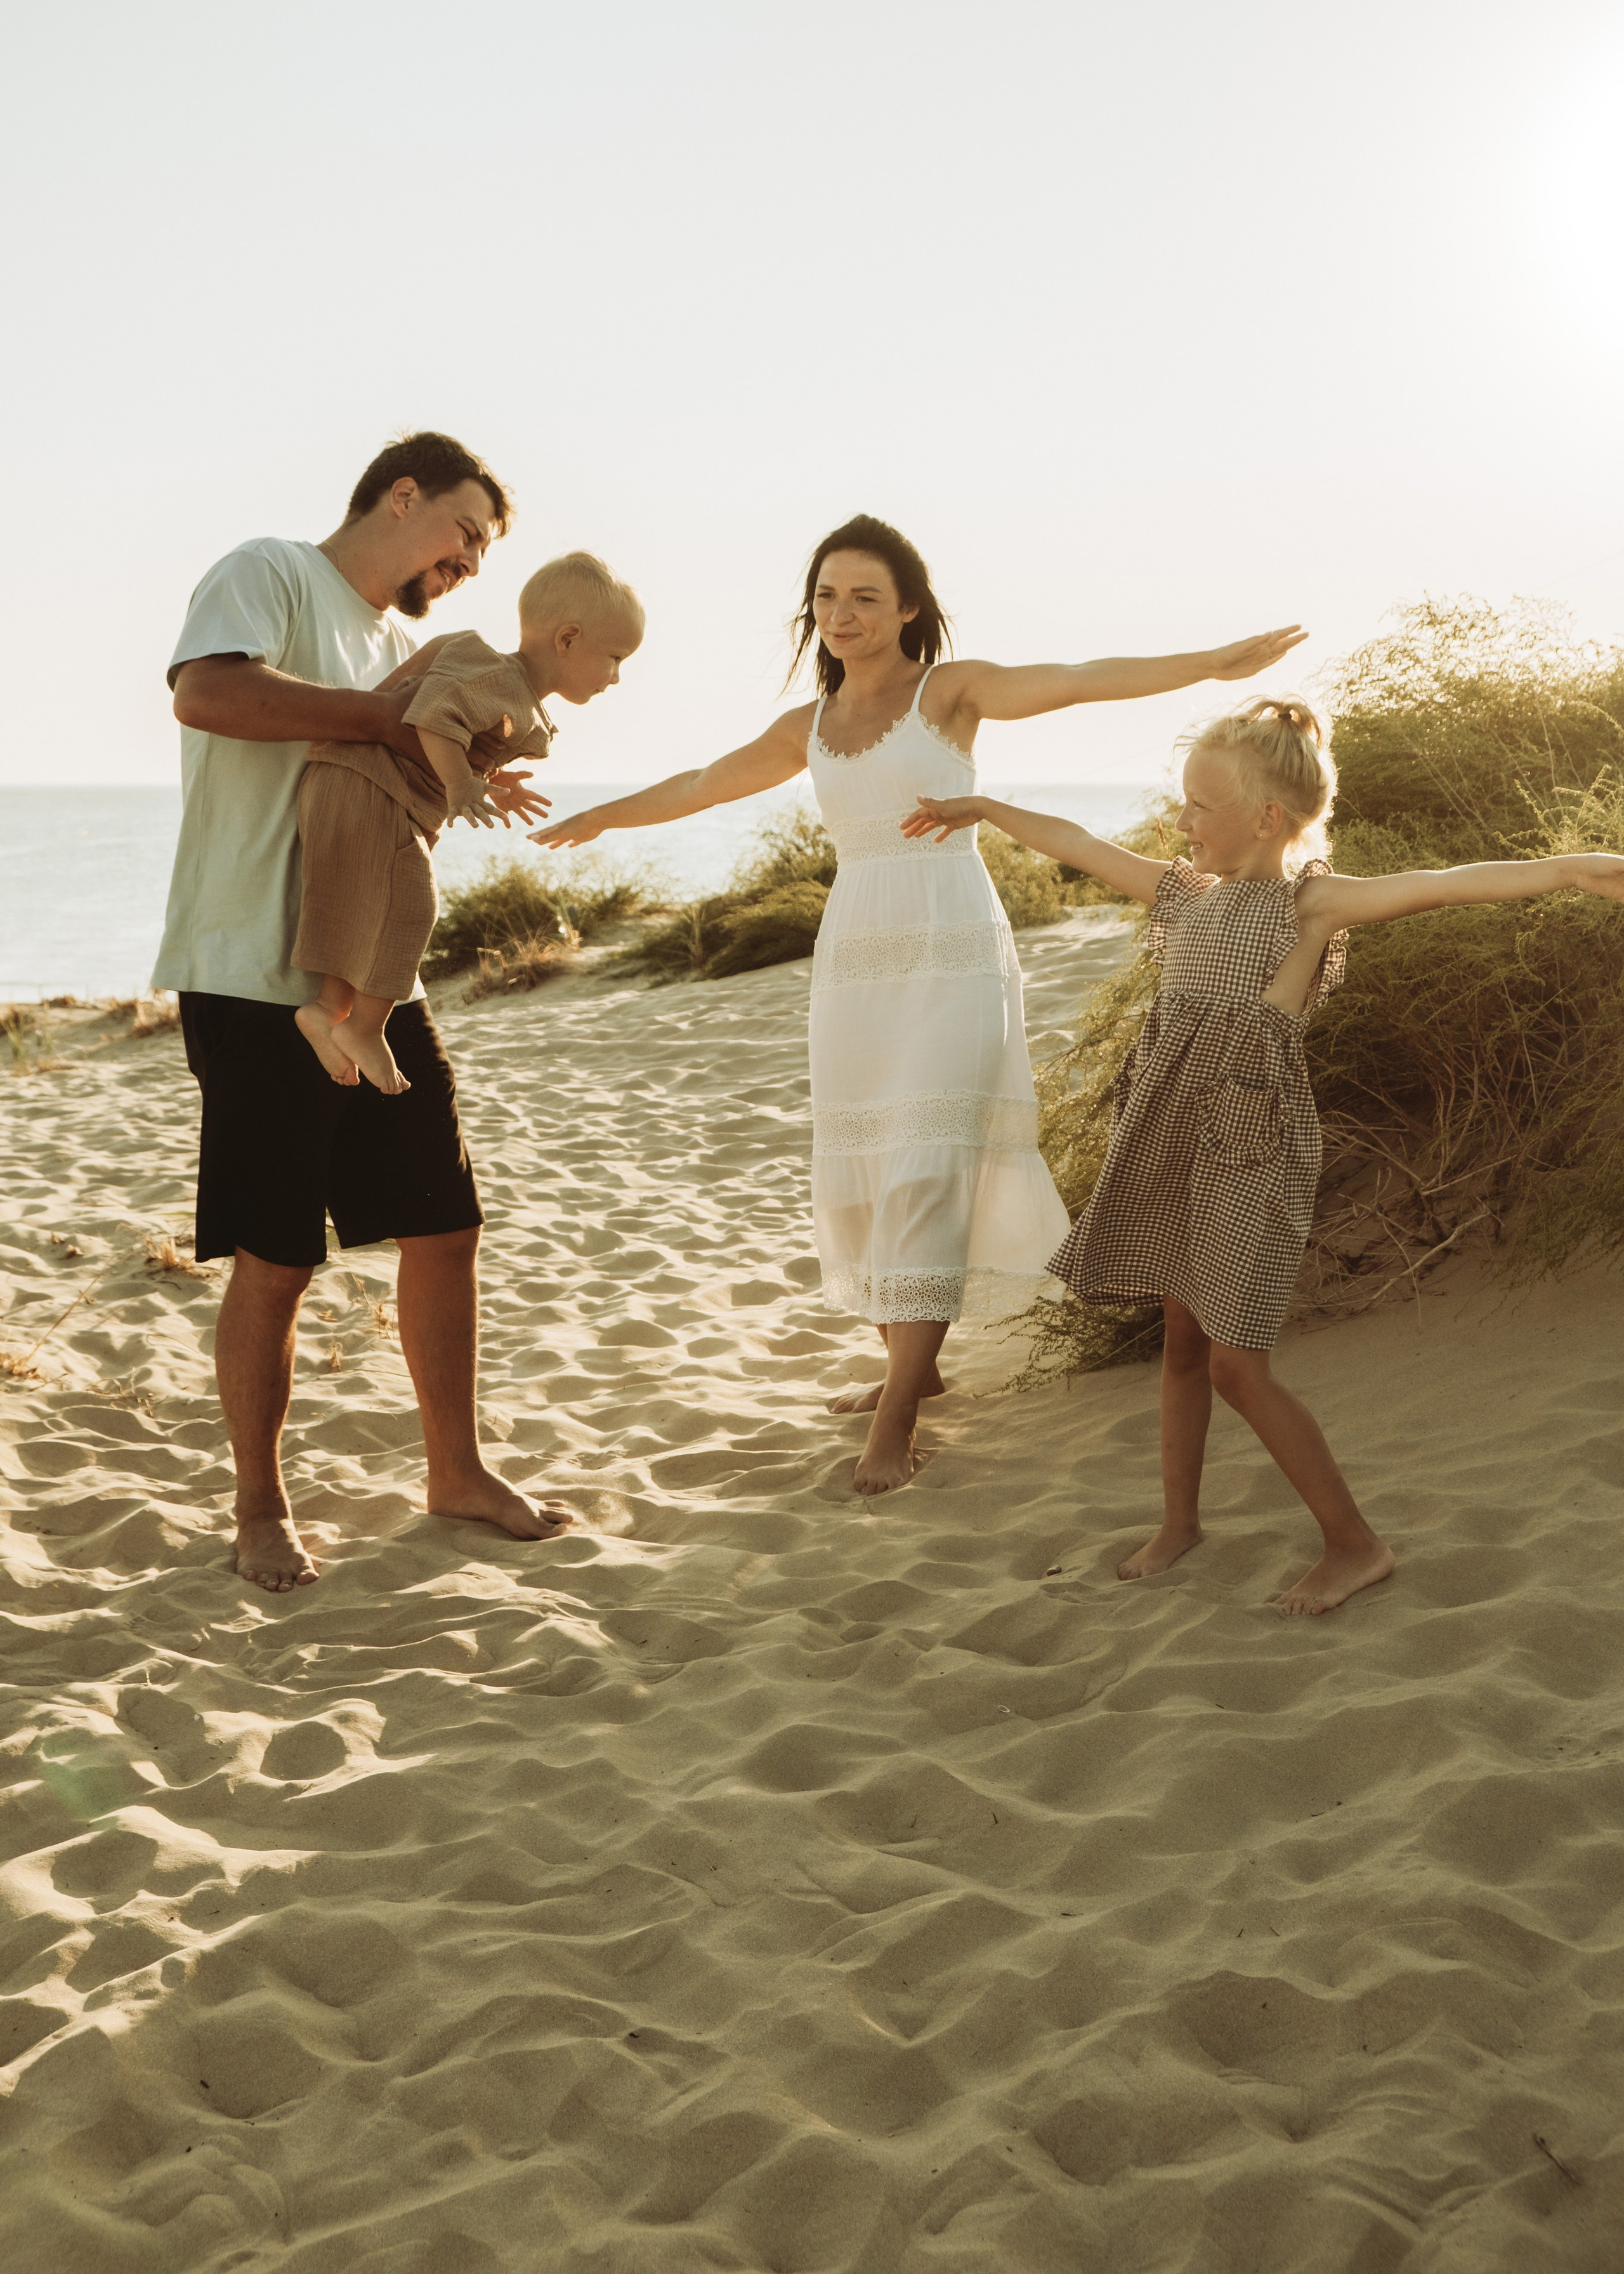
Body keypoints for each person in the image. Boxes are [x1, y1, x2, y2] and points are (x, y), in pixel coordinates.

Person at [532, 511, 1303, 1496]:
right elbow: (701, 783)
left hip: (954, 953)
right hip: (857, 958)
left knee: (932, 1159)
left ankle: (896, 1417)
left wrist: (1210, 665)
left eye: (864, 596)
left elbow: (1076, 678)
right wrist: (601, 814)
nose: (842, 614)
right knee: (884, 1157)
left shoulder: (950, 692)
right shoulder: (805, 727)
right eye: (826, 597)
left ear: (907, 608)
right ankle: (918, 1363)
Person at [905, 696, 1624, 1611]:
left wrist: (1580, 871)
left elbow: (1452, 880)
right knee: (1180, 1340)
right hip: (1169, 1133)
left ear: (1266, 819)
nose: (1181, 821)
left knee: (1239, 1364)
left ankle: (1354, 1545)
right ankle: (1179, 1522)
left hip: (1249, 1146)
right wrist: (988, 810)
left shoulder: (1311, 905)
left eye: (1198, 805)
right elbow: (1079, 844)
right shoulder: (1184, 895)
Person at [155, 431, 574, 1593]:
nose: (475, 563)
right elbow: (209, 694)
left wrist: (472, 776)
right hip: (253, 969)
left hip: (371, 978)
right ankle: (258, 1506)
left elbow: (403, 771)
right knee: (277, 1255)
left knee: (446, 1226)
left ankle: (457, 1470)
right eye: (468, 533)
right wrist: (387, 720)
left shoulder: (405, 646)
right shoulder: (272, 571)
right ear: (403, 496)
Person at [292, 552, 645, 1096]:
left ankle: (327, 1012)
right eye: (616, 658)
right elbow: (434, 715)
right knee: (412, 902)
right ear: (568, 639)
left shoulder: (509, 690)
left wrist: (491, 785)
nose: (618, 678)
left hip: (363, 785)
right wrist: (461, 785)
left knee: (367, 909)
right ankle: (363, 1028)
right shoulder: (493, 671)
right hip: (366, 783)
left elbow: (451, 738)